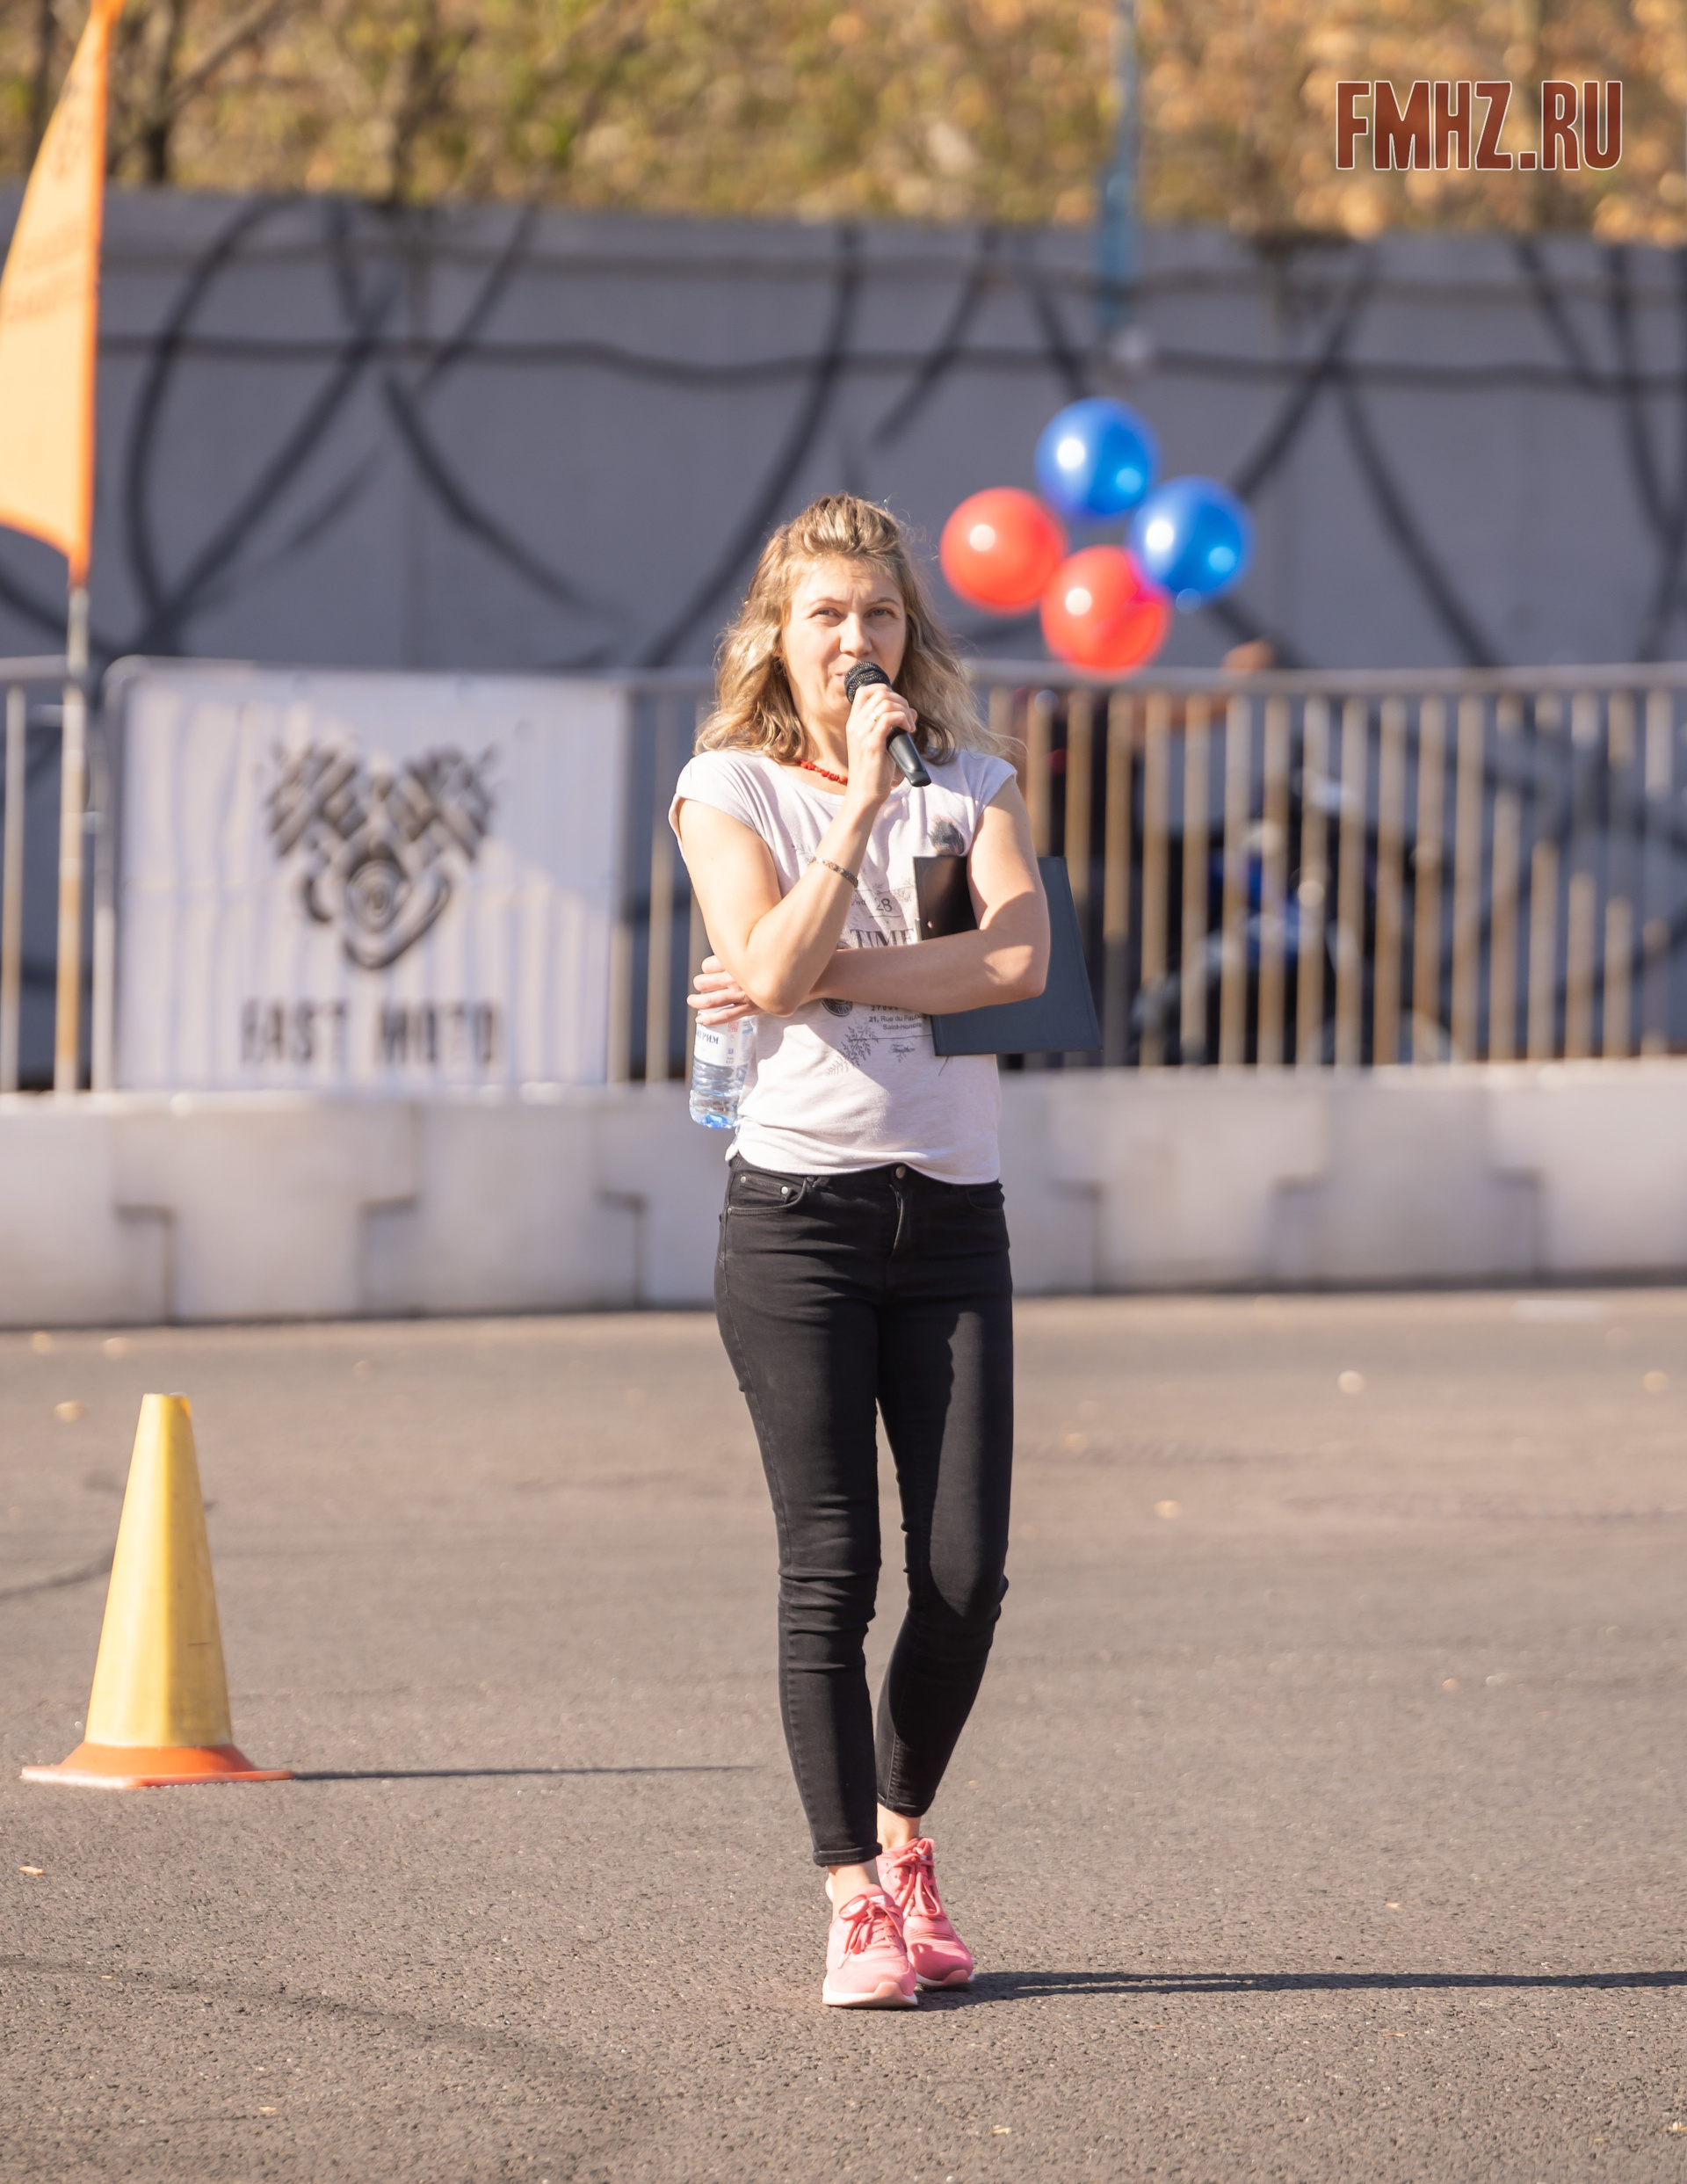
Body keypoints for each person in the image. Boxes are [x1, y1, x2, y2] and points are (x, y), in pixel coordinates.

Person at [670, 495, 1050, 2007]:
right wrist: (852, 818)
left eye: (878, 613)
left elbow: (1018, 960)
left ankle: (905, 1838)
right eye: (825, 614)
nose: (855, 639)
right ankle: (849, 1895)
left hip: (954, 1216)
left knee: (965, 1573)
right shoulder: (729, 786)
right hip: (802, 1224)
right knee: (832, 1568)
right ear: (777, 634)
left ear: (912, 629)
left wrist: (824, 969)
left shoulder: (976, 781)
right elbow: (760, 967)